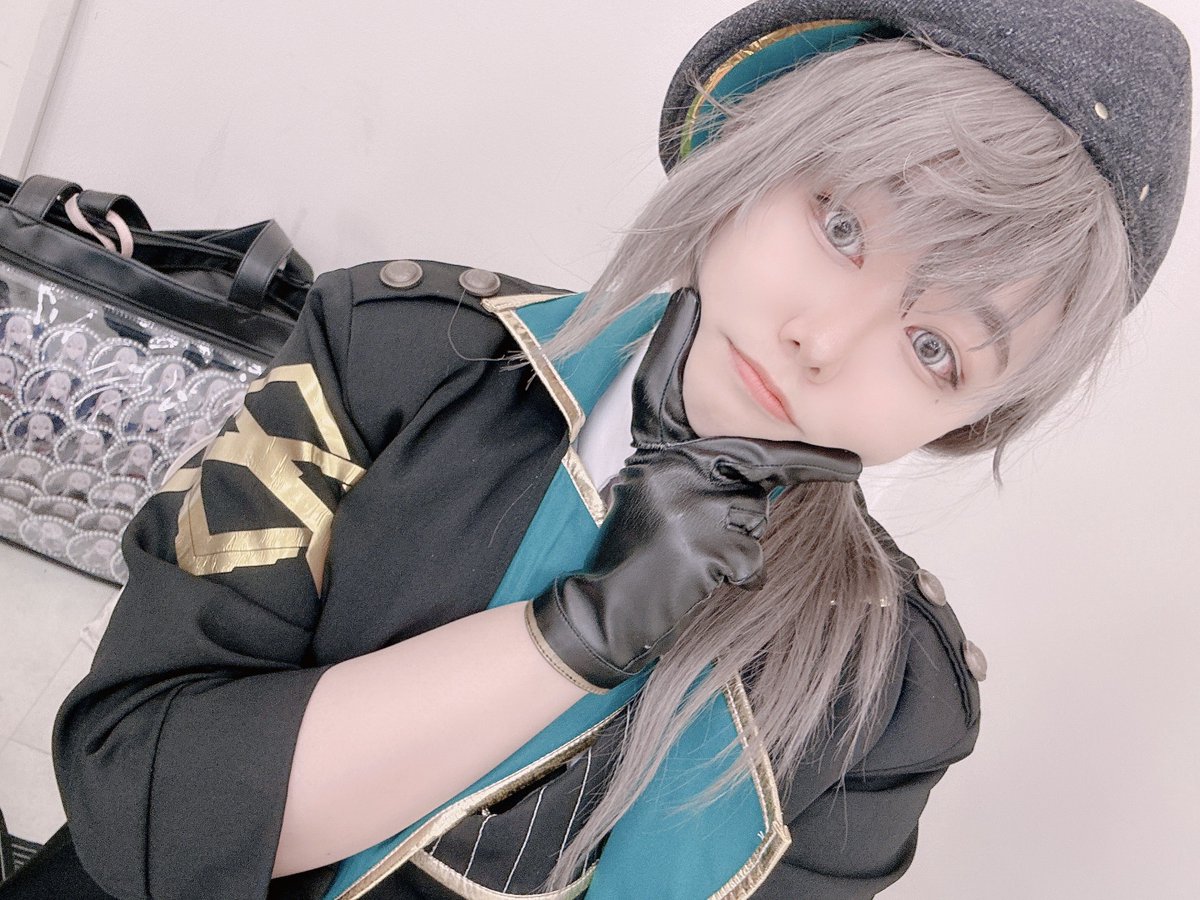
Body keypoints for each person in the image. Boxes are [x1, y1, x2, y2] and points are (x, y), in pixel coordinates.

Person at [1, 1, 1189, 899]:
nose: (823, 341)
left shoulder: (890, 701)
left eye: (934, 349)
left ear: (967, 418)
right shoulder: (395, 355)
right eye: (840, 225)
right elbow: (139, 803)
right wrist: (573, 640)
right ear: (754, 151)